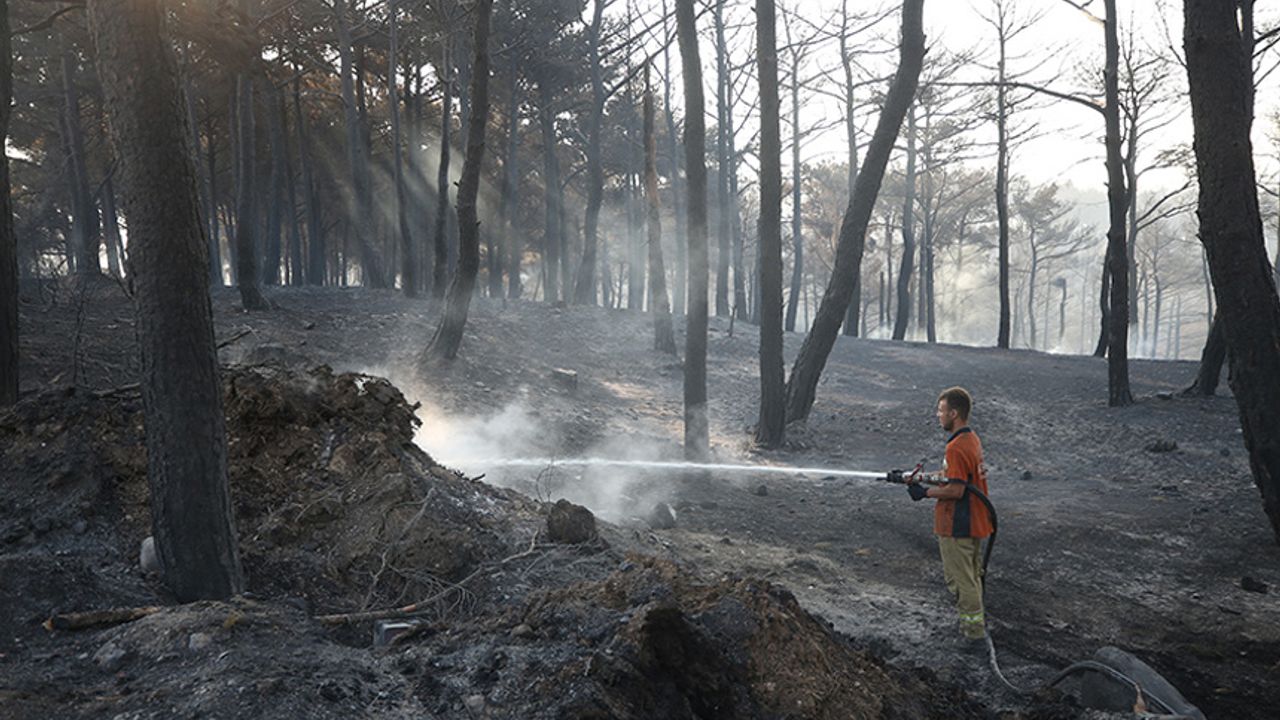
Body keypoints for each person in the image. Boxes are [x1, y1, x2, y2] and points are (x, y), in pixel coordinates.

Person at [907, 386, 992, 648]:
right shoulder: (970, 439)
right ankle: (974, 626)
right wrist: (919, 477)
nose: (938, 415)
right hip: (974, 521)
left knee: (961, 581)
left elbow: (956, 490)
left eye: (941, 410)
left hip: (958, 524)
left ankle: (973, 634)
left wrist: (924, 493)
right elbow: (954, 476)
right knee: (972, 577)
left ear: (954, 413)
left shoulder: (955, 447)